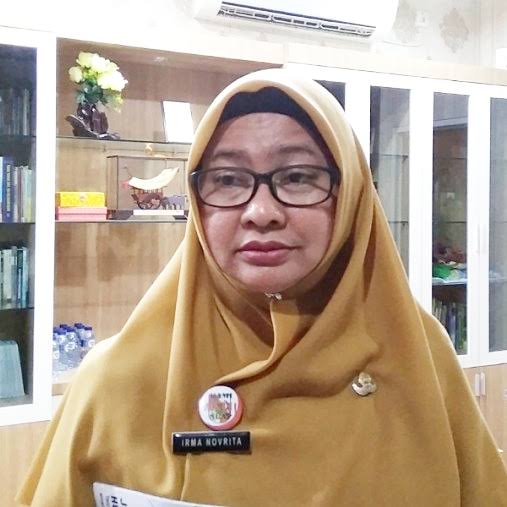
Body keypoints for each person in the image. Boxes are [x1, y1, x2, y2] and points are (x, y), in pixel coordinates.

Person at [17, 69, 507, 506]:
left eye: (297, 177)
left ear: (350, 195)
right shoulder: (118, 377)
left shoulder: (419, 354)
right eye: (229, 180)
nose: (261, 211)